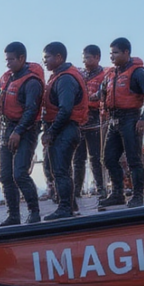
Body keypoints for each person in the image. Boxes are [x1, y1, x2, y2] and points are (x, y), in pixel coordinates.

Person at [0, 42, 44, 225]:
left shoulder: (32, 82)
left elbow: (31, 110)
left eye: (11, 59)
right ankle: (13, 215)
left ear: (21, 58)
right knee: (5, 175)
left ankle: (34, 212)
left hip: (25, 130)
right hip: (5, 128)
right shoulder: (6, 79)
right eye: (6, 60)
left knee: (20, 173)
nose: (8, 63)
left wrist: (18, 131)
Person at [99, 38, 144, 209]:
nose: (112, 56)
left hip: (131, 119)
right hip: (114, 120)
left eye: (115, 53)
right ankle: (117, 193)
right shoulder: (111, 74)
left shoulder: (138, 72)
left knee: (134, 159)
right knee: (108, 158)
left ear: (126, 52)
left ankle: (138, 195)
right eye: (111, 53)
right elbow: (103, 92)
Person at [41, 42, 88, 221]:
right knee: (61, 169)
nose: (44, 61)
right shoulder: (59, 76)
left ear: (59, 57)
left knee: (61, 170)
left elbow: (66, 109)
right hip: (65, 129)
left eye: (47, 57)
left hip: (65, 129)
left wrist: (51, 131)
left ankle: (65, 207)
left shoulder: (65, 79)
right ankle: (70, 204)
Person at [73, 44, 105, 202]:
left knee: (96, 156)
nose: (84, 61)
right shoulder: (80, 75)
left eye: (87, 57)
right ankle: (76, 190)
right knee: (78, 158)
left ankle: (101, 188)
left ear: (97, 57)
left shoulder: (105, 75)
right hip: (80, 120)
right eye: (83, 58)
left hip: (95, 119)